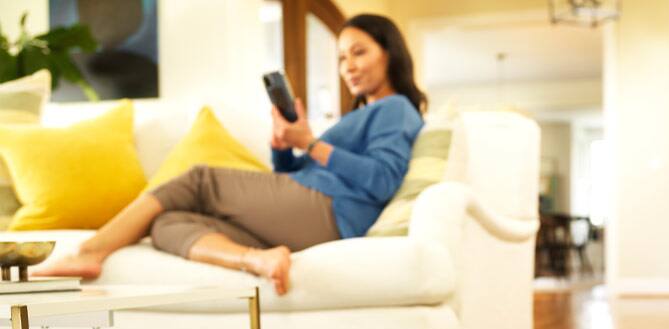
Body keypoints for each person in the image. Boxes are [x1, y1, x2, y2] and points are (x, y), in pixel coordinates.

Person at [36, 14, 426, 296]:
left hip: (333, 211)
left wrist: (310, 141)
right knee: (168, 223)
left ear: (389, 53)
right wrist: (285, 148)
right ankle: (258, 259)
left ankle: (89, 251)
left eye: (359, 53)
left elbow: (382, 180)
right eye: (341, 57)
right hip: (311, 209)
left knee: (199, 179)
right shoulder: (364, 114)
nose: (348, 66)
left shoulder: (395, 108)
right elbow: (300, 172)